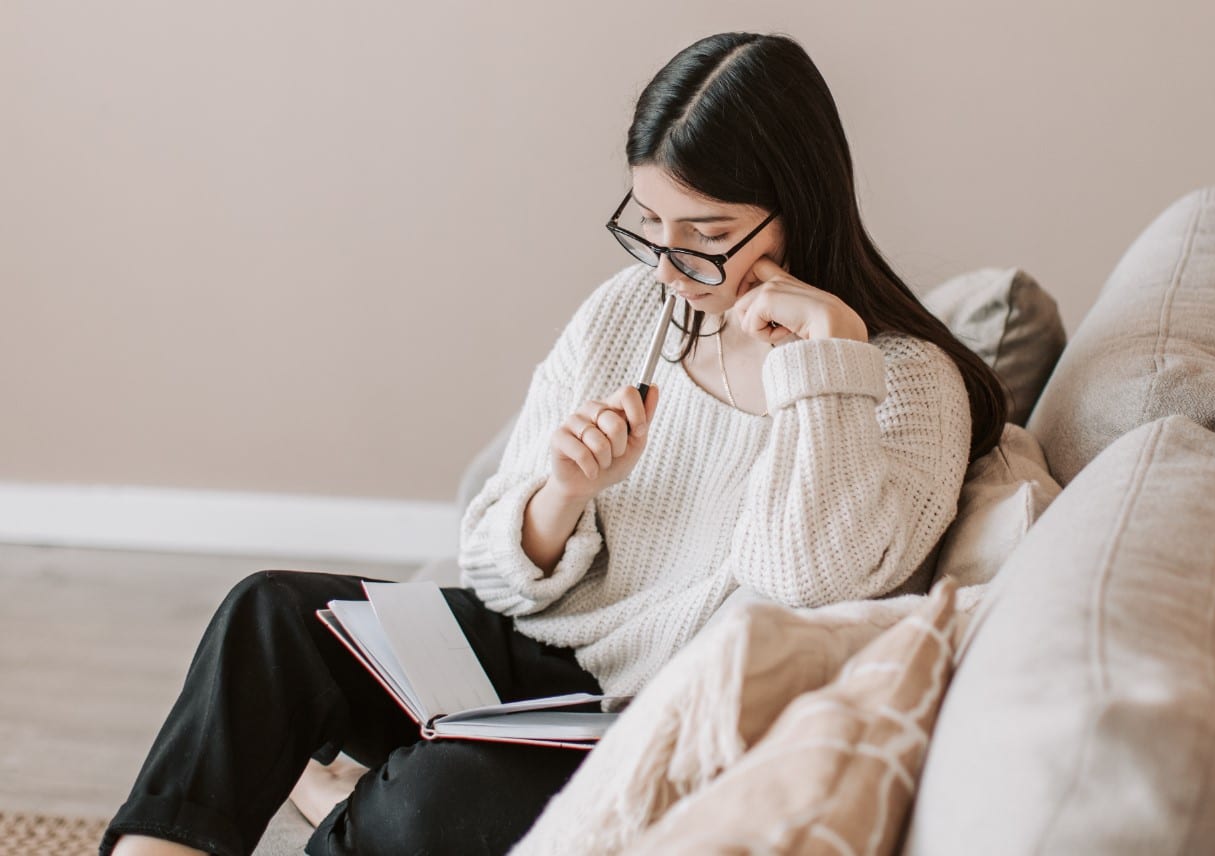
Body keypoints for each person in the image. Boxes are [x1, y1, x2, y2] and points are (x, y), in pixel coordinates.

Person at [103, 30, 1007, 856]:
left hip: (652, 723)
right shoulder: (630, 315)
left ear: (798, 207)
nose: (667, 265)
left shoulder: (906, 382)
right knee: (268, 615)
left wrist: (824, 372)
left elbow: (813, 584)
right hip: (537, 666)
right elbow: (495, 569)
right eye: (650, 224)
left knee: (430, 802)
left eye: (709, 237)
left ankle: (354, 800)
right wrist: (561, 495)